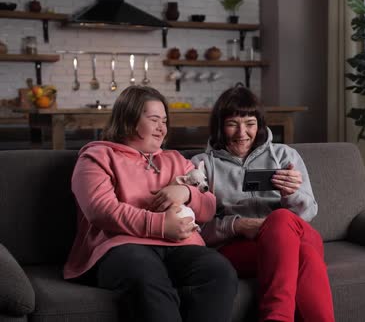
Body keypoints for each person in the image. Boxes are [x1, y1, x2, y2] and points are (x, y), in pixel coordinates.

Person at [63, 86, 237, 322]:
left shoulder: (176, 160)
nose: (162, 128)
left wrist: (186, 192)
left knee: (219, 272)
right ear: (129, 120)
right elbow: (101, 211)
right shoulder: (97, 157)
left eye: (164, 120)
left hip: (181, 246)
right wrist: (161, 225)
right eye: (154, 119)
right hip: (121, 245)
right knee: (145, 275)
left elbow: (208, 207)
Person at [192, 85, 335, 322]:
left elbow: (308, 212)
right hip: (238, 248)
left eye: (250, 123)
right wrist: (238, 225)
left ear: (259, 125)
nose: (242, 133)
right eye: (232, 124)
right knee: (306, 256)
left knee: (280, 220)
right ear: (220, 126)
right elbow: (196, 229)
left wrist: (290, 194)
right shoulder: (202, 165)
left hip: (292, 232)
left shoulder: (285, 155)